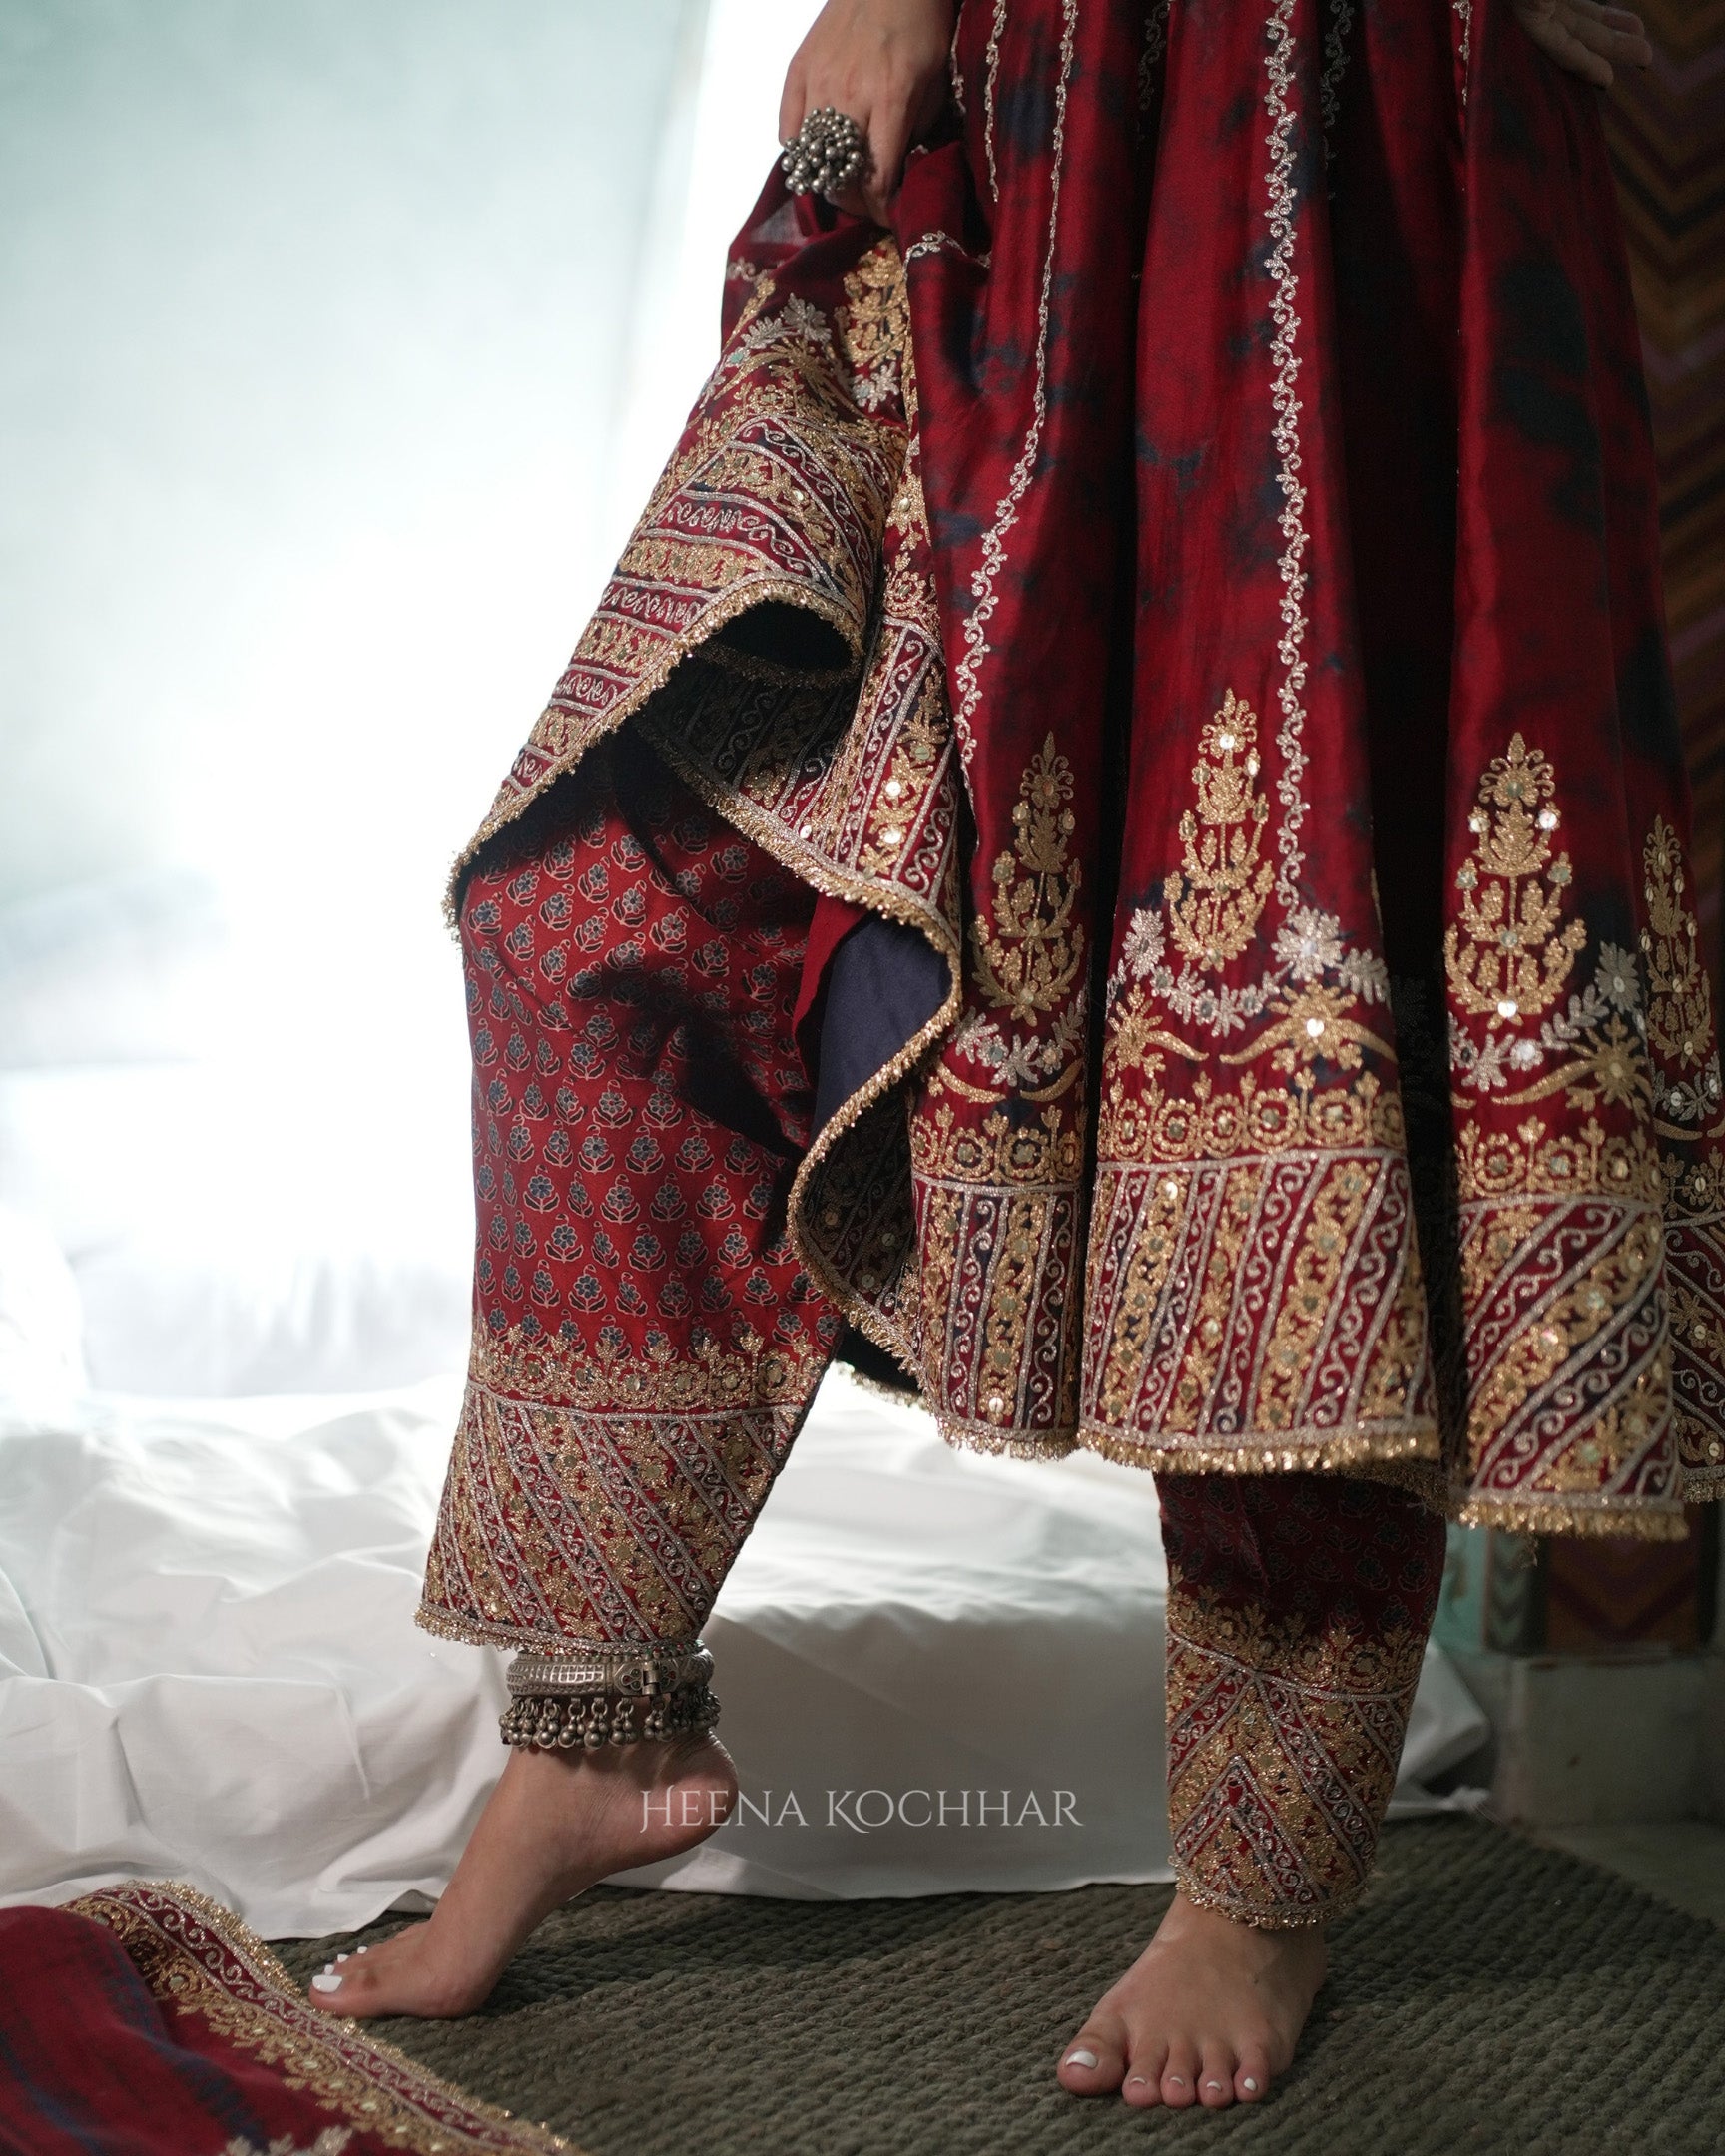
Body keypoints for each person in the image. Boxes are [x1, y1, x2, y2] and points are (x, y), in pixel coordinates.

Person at [307, 0, 1724, 2113]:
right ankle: (596, 1717)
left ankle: (1258, 1881)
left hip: (1359, 126)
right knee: (597, 894)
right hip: (1029, 132)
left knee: (1290, 1009)